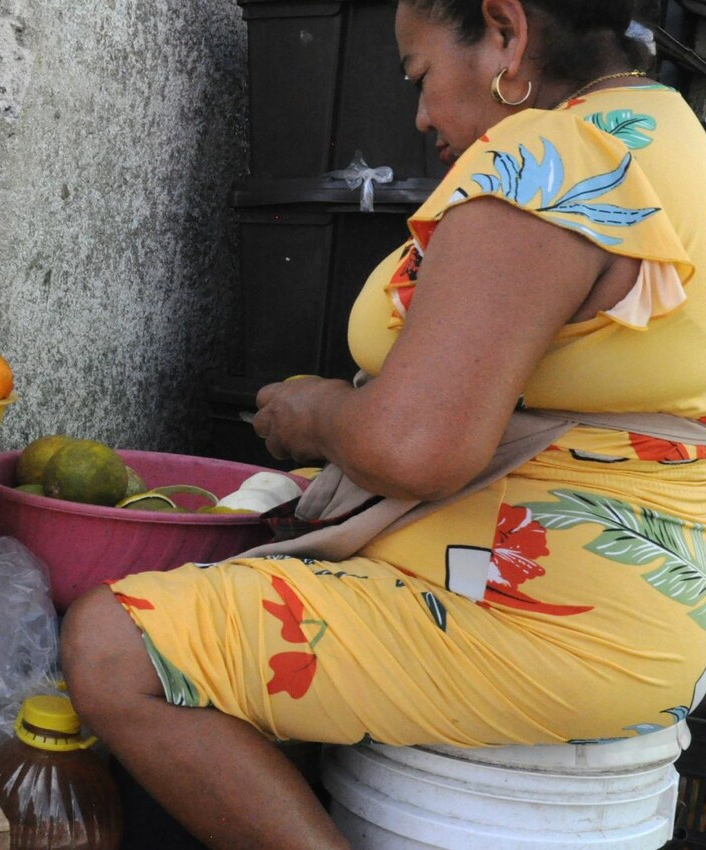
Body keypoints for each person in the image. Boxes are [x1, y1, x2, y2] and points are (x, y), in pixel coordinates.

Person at [60, 1, 706, 847]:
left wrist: (319, 413)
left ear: (505, 32)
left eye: (420, 75)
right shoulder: (670, 131)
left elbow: (417, 450)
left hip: (548, 623)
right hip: (657, 614)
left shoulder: (548, 160)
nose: (420, 115)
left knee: (110, 649)